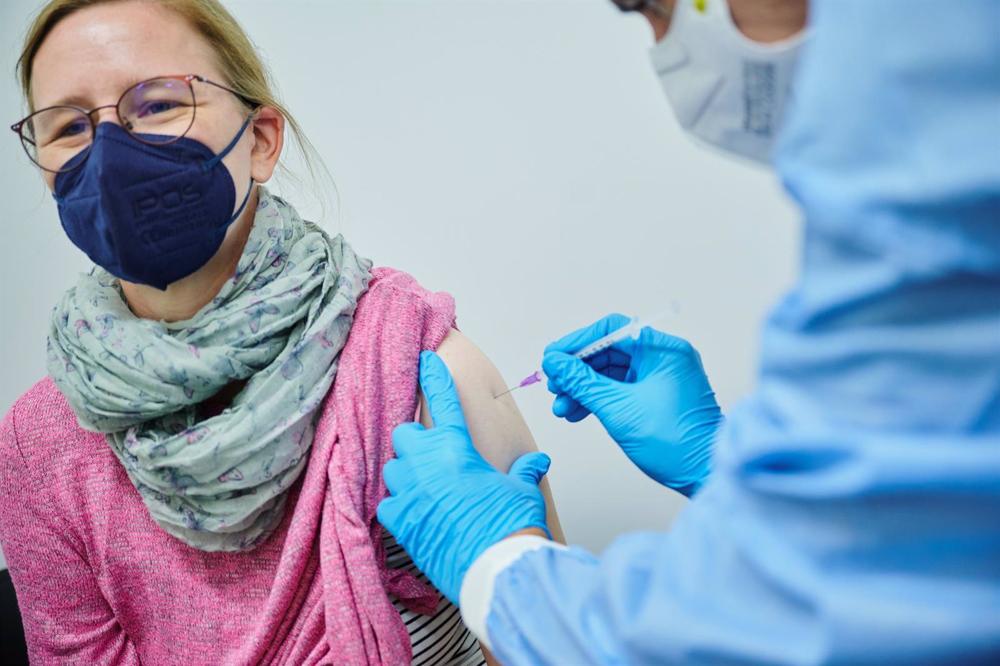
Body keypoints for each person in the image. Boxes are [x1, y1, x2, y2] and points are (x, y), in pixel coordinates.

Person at [379, 0, 1000, 663]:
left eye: (653, 5)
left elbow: (772, 628)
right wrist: (719, 456)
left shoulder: (937, 184)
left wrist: (497, 567)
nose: (662, 39)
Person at [0, 1, 562, 664]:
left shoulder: (407, 358)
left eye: (156, 105)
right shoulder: (40, 444)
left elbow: (550, 637)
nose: (112, 153)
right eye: (68, 125)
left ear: (261, 140)